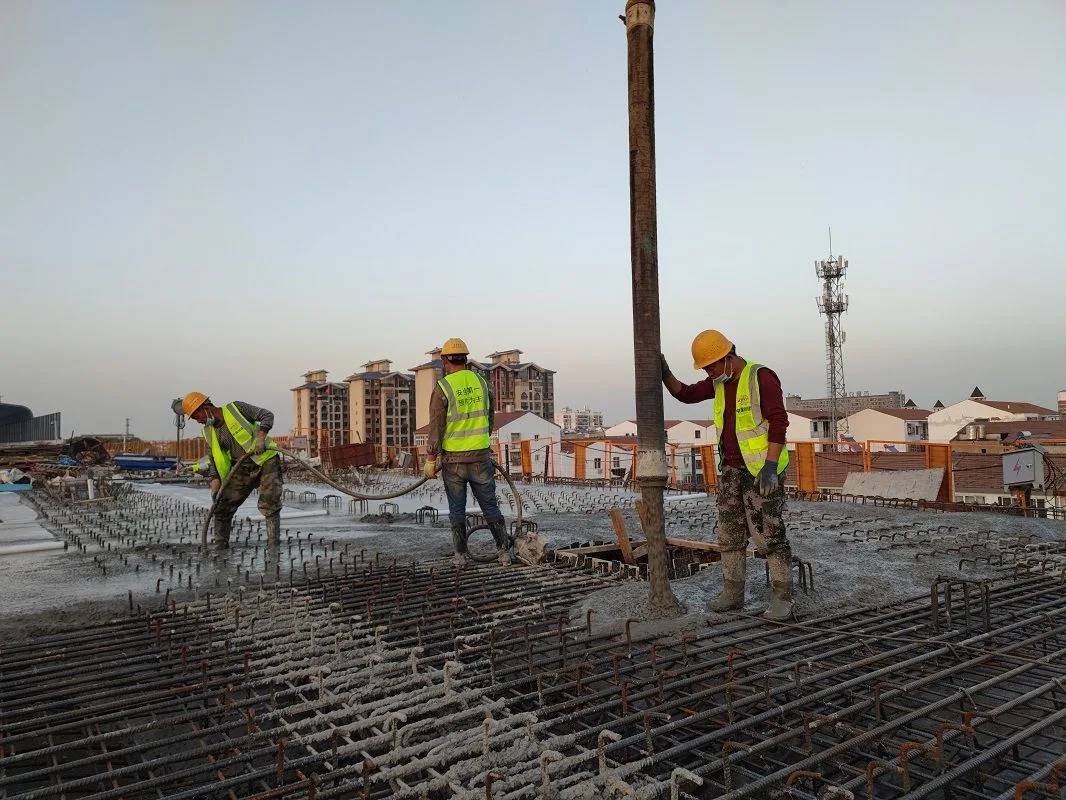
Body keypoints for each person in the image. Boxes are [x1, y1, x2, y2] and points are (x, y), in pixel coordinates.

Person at [660, 330, 795, 621]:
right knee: (729, 534)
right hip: (732, 471)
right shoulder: (718, 383)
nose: (708, 372)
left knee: (769, 534)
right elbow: (686, 394)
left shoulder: (761, 377)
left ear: (728, 357)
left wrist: (771, 467)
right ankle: (733, 594)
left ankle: (782, 597)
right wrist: (665, 373)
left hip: (762, 471)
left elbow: (778, 423)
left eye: (711, 366)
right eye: (705, 368)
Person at [423, 338, 511, 567]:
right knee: (490, 506)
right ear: (466, 358)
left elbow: (435, 428)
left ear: (445, 359)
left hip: (453, 462)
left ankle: (460, 557)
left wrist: (431, 459)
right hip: (481, 458)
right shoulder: (482, 383)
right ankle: (503, 553)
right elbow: (490, 419)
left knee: (457, 510)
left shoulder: (443, 388)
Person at [179, 392, 283, 548]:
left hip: (266, 460)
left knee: (269, 503)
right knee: (222, 507)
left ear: (206, 406)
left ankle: (274, 546)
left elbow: (267, 415)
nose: (199, 421)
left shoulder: (235, 408)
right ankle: (220, 547)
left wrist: (261, 437)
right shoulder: (208, 431)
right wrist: (216, 488)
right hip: (243, 466)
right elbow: (214, 458)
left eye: (197, 416)